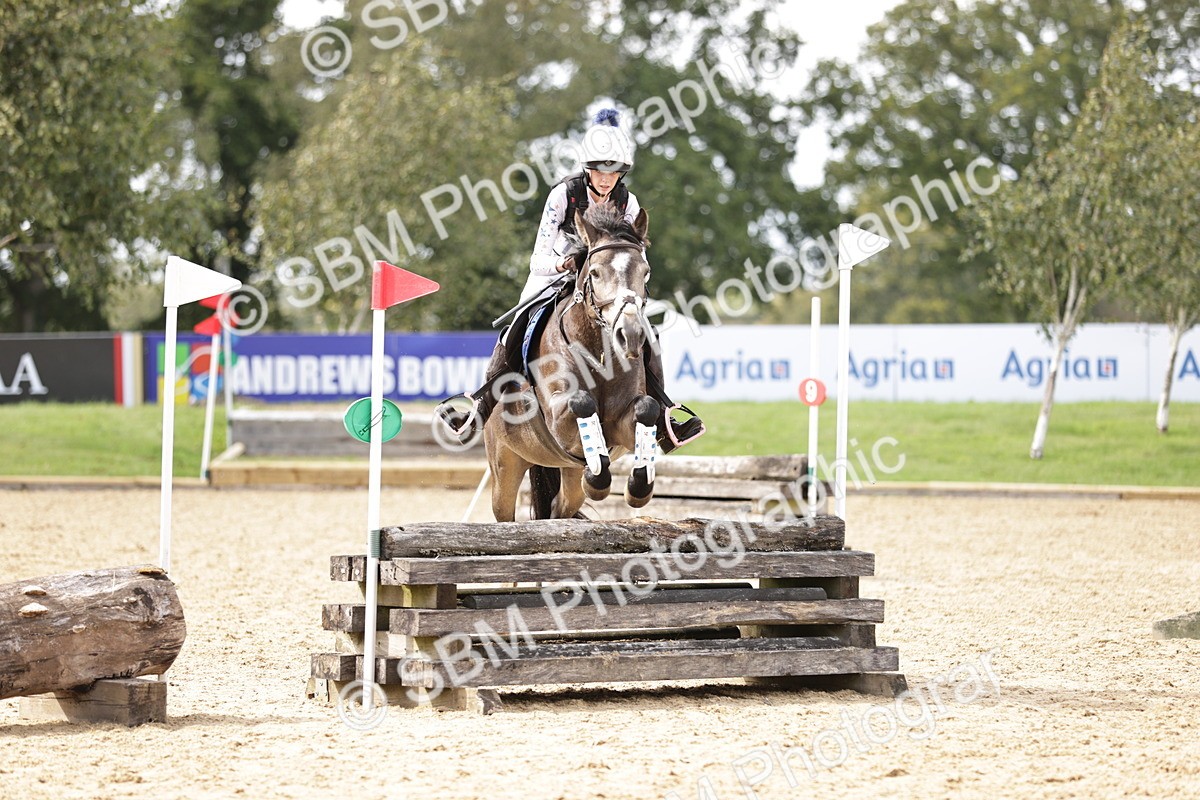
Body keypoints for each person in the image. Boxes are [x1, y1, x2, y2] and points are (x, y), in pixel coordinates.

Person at [436, 109, 704, 452]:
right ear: (586, 168)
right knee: (515, 326)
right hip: (556, 271)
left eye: (614, 172)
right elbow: (537, 257)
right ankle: (479, 409)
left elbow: (636, 255)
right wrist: (565, 263)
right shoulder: (563, 195)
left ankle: (665, 416)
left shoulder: (629, 202)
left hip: (607, 282)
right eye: (599, 171)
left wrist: (631, 288)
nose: (606, 180)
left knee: (646, 334)